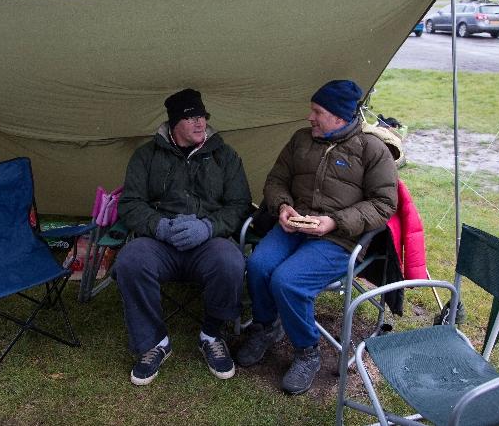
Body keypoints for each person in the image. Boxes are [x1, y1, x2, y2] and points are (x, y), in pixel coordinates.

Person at [236, 79, 397, 395]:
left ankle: (307, 352)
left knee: (288, 281)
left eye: (317, 111)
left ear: (338, 116)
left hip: (338, 237)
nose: (310, 117)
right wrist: (283, 206)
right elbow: (276, 180)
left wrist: (334, 221)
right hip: (294, 226)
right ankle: (266, 327)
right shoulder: (300, 140)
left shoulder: (372, 149)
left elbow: (384, 204)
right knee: (258, 266)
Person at [113, 88, 251, 386]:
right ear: (175, 123)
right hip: (160, 242)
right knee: (130, 260)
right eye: (191, 118)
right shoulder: (146, 155)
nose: (200, 123)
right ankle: (154, 342)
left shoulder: (224, 156)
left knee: (230, 261)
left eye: (203, 116)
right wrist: (160, 226)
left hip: (208, 241)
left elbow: (240, 204)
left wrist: (208, 227)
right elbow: (130, 204)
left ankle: (211, 334)